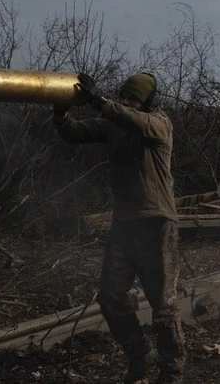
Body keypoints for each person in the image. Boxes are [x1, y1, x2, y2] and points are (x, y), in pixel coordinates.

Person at [53, 72, 185, 384]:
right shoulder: (114, 125)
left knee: (163, 307)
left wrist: (100, 102)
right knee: (110, 297)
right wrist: (60, 111)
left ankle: (172, 371)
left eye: (133, 99)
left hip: (157, 224)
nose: (127, 102)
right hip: (125, 226)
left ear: (147, 102)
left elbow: (135, 121)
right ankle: (139, 353)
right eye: (124, 97)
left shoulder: (159, 124)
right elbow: (73, 132)